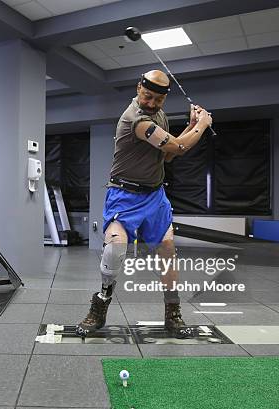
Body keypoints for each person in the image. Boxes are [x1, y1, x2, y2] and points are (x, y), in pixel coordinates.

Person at [76, 69, 213, 337]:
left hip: (155, 195)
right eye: (147, 96)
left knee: (167, 249)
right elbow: (178, 148)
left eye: (157, 100)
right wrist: (201, 125)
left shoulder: (158, 115)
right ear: (139, 87)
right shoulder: (135, 120)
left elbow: (169, 154)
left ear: (164, 99)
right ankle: (99, 305)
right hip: (124, 195)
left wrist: (188, 126)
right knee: (115, 248)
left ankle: (173, 314)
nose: (151, 103)